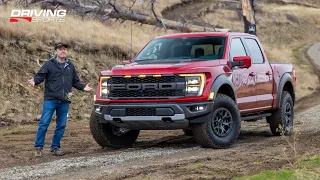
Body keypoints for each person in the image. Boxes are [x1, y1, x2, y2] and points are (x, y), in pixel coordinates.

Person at [28, 42, 92, 156]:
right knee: (44, 123)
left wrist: (83, 87)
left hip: (65, 100)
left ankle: (55, 148)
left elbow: (75, 81)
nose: (63, 51)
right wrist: (35, 80)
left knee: (61, 125)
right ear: (55, 52)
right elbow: (40, 75)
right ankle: (38, 148)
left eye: (65, 49)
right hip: (51, 99)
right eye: (60, 49)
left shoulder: (70, 66)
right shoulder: (49, 64)